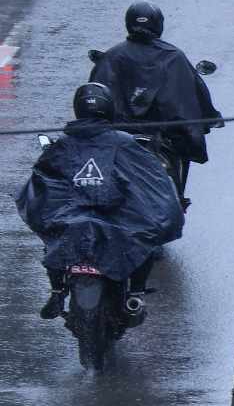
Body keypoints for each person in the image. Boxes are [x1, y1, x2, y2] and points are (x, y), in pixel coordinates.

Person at [17, 83, 184, 324]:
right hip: (111, 218)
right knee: (144, 239)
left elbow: (45, 179)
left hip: (71, 217)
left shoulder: (64, 144)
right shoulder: (124, 142)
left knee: (53, 239)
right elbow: (151, 180)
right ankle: (135, 294)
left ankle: (56, 291)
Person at [86, 2, 221, 185]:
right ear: (158, 24)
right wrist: (211, 117)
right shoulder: (174, 56)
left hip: (119, 138)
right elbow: (197, 92)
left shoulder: (111, 57)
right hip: (161, 138)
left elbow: (92, 97)